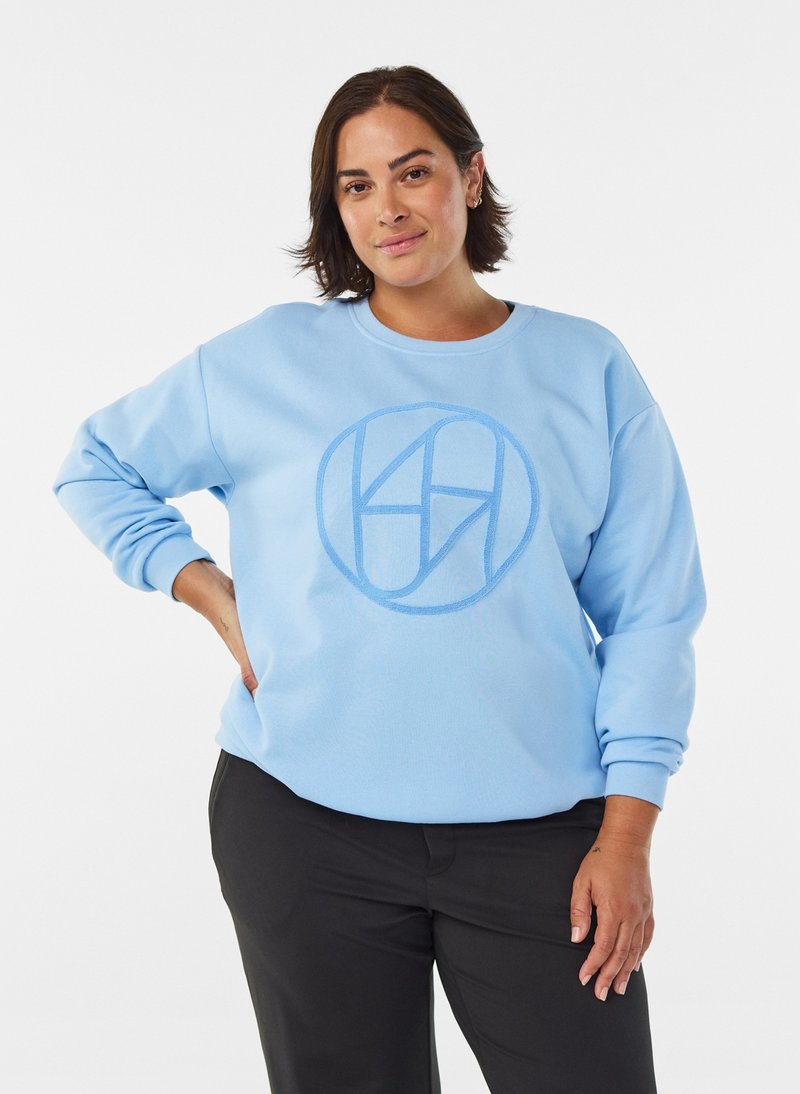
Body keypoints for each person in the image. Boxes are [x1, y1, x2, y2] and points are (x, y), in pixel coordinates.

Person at [51, 64, 706, 1093]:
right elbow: (95, 464)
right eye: (356, 185)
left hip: (540, 838)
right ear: (336, 207)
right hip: (302, 825)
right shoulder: (267, 360)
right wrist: (207, 589)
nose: (387, 207)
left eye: (413, 171)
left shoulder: (585, 367)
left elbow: (652, 614)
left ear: (470, 176)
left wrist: (627, 832)